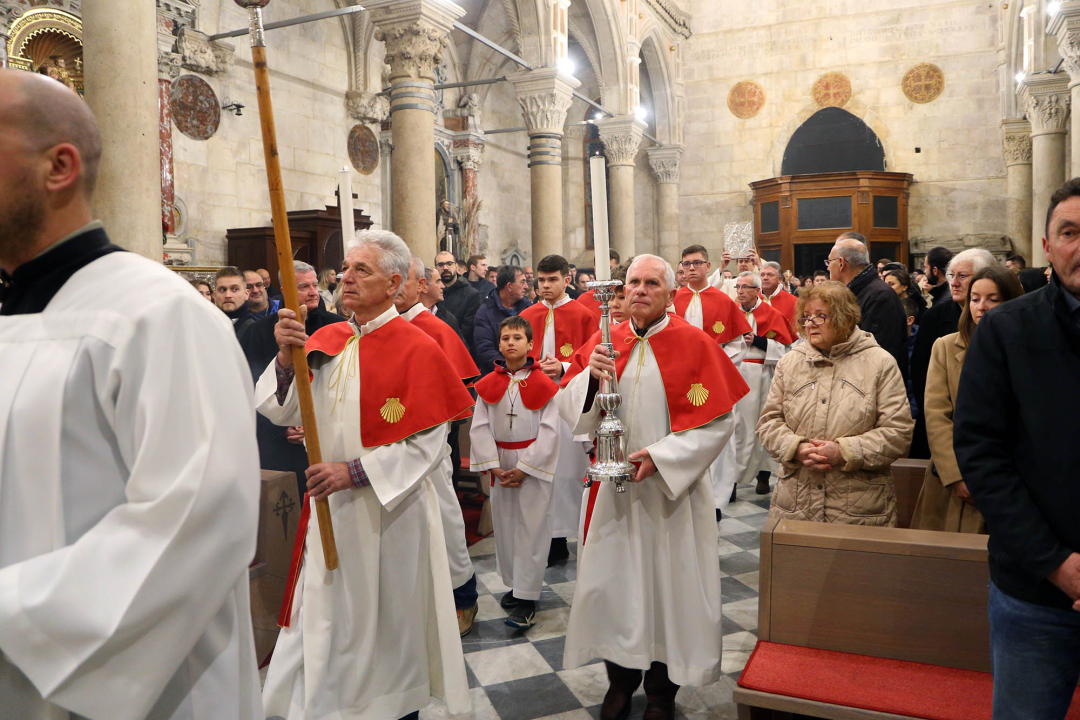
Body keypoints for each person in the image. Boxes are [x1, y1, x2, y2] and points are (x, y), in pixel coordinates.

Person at [0, 67, 261, 719]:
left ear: (58, 167)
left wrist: (16, 615)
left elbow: (196, 521)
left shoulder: (156, 315)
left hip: (147, 694)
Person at [258, 230, 473, 720]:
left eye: (362, 270)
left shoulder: (418, 349)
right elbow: (286, 409)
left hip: (389, 516)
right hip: (329, 513)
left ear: (394, 282)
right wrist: (286, 361)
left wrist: (353, 471)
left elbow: (427, 445)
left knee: (388, 634)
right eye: (346, 269)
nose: (346, 278)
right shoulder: (326, 339)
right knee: (328, 626)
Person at [559, 255, 749, 719]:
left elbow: (719, 421)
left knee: (670, 592)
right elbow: (569, 409)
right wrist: (589, 375)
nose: (639, 291)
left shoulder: (694, 343)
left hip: (671, 497)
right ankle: (619, 684)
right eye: (632, 283)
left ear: (669, 293)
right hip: (615, 496)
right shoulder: (605, 342)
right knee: (615, 589)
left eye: (651, 283)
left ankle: (662, 694)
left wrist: (663, 459)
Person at [954, 179, 1080, 720]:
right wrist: (1055, 562)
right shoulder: (1005, 330)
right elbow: (982, 452)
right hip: (1033, 592)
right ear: (1047, 246)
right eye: (1070, 232)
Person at [756, 282, 914, 526]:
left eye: (820, 316)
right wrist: (795, 447)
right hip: (796, 504)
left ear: (845, 318)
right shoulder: (790, 363)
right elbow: (768, 423)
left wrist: (844, 452)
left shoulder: (880, 363)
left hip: (859, 508)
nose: (810, 324)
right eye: (806, 317)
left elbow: (898, 432)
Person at [394, 255, 481, 636]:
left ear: (421, 286)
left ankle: (464, 598)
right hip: (386, 447)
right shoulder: (372, 329)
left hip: (428, 446)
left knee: (444, 523)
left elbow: (454, 393)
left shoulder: (436, 328)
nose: (396, 288)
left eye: (405, 281)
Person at [911, 265, 1023, 535]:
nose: (981, 307)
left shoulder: (1027, 349)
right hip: (953, 478)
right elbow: (937, 415)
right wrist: (956, 475)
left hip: (1010, 481)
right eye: (975, 299)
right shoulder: (947, 346)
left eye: (993, 299)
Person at [471, 316, 562, 629]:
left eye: (517, 338)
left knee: (531, 528)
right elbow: (480, 427)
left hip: (531, 466)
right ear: (499, 344)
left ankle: (527, 599)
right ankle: (515, 586)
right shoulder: (488, 385)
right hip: (500, 464)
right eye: (505, 338)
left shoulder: (545, 386)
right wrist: (493, 464)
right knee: (507, 527)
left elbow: (550, 432)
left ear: (530, 344)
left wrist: (524, 468)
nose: (510, 342)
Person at [239, 260, 345, 498]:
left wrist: (310, 425)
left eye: (314, 285)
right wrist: (283, 426)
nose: (312, 292)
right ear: (285, 289)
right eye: (303, 286)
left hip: (325, 441)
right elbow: (250, 387)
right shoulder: (260, 331)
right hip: (276, 444)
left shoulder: (337, 327)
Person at [518, 254, 595, 561]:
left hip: (566, 399)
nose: (546, 286)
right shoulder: (526, 315)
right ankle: (543, 534)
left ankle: (562, 535)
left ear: (567, 279)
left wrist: (563, 367)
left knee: (565, 471)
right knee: (538, 466)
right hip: (533, 400)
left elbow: (592, 359)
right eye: (541, 280)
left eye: (552, 280)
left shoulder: (583, 314)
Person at [910, 247, 994, 458]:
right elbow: (921, 377)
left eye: (963, 276)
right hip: (942, 433)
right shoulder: (934, 317)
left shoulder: (1006, 322)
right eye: (951, 275)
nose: (954, 283)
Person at [732, 271, 796, 495]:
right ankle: (731, 480)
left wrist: (758, 341)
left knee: (762, 426)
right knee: (737, 428)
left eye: (744, 287)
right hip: (735, 375)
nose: (739, 291)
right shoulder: (729, 312)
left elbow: (787, 350)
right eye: (737, 287)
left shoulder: (771, 313)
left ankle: (763, 475)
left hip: (761, 376)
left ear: (757, 291)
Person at [826, 233, 907, 376]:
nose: (827, 268)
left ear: (841, 263)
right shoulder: (852, 293)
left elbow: (877, 352)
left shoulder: (880, 296)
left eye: (828, 262)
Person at [473, 264, 531, 375]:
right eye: (522, 282)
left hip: (527, 373)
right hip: (497, 374)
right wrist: (508, 368)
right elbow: (484, 348)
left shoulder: (529, 309)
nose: (526, 287)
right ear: (509, 286)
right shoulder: (485, 312)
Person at [436, 250, 481, 354]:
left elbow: (468, 329)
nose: (445, 268)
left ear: (456, 267)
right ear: (436, 268)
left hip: (460, 350)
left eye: (449, 263)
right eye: (441, 264)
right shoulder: (432, 294)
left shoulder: (471, 295)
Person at [213, 266, 255, 338]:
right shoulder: (206, 327)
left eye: (235, 289)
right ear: (215, 295)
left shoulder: (257, 329)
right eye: (222, 290)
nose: (228, 295)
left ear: (246, 294)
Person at [759, 260, 798, 327]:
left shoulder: (794, 301)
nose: (765, 278)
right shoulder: (752, 300)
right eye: (762, 275)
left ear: (780, 279)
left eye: (770, 275)